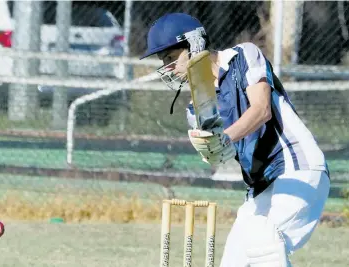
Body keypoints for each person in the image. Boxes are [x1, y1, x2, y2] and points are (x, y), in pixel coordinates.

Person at [140, 12, 330, 267]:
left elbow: (261, 110)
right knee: (236, 261)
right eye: (164, 61)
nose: (168, 67)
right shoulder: (195, 110)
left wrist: (224, 138)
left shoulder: (243, 56)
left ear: (194, 44)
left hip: (297, 168)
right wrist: (210, 151)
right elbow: (221, 155)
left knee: (264, 241)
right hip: (260, 187)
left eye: (172, 57)